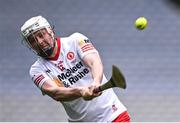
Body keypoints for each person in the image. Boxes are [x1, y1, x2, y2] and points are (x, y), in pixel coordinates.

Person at [20, 15, 131, 122]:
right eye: (33, 40)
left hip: (114, 116)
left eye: (41, 35)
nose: (39, 42)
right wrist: (81, 91)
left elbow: (94, 62)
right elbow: (56, 93)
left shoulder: (75, 40)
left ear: (50, 31)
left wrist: (96, 82)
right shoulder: (36, 70)